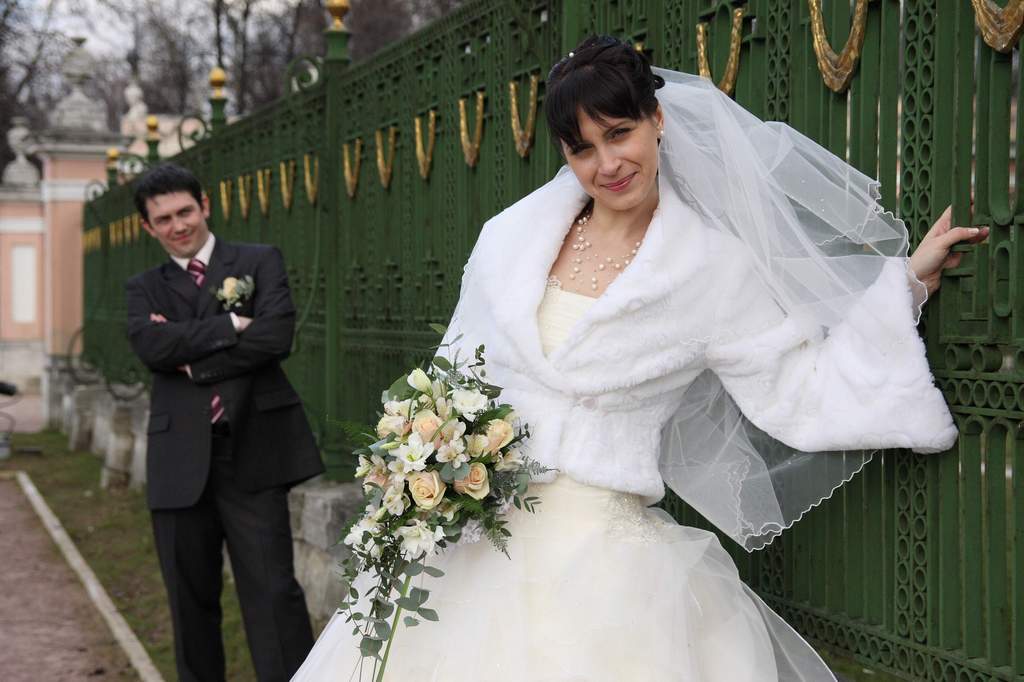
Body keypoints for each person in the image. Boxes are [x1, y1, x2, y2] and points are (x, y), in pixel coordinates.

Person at [292, 36, 986, 681]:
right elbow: (454, 374)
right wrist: (424, 460)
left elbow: (798, 389)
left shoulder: (711, 268)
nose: (607, 164)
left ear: (657, 121)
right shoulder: (510, 239)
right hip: (473, 544)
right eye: (582, 148)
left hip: (606, 561)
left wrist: (902, 289)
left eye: (619, 133)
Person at [125, 163, 324, 682]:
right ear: (148, 227)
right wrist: (232, 323)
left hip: (252, 450)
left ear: (205, 206)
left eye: (185, 211)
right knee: (189, 602)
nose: (178, 226)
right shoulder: (143, 288)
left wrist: (192, 358)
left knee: (273, 594)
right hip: (177, 460)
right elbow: (151, 347)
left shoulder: (258, 261)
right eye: (163, 219)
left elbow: (275, 337)